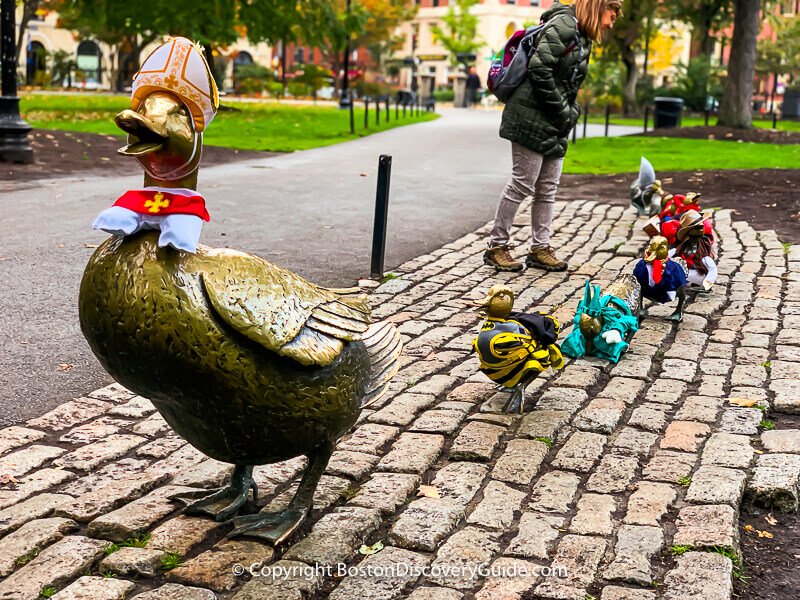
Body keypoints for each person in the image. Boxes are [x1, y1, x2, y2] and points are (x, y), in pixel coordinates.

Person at [484, 0, 620, 272]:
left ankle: (540, 248)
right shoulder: (564, 25)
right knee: (522, 183)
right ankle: (496, 247)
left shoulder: (582, 35)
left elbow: (566, 79)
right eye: (612, 15)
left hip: (555, 119)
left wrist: (569, 110)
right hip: (531, 114)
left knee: (548, 188)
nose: (612, 22)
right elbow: (539, 68)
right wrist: (562, 108)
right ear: (597, 8)